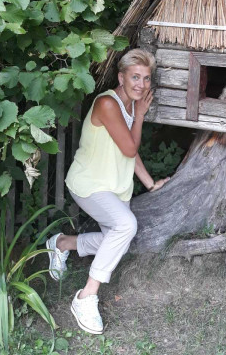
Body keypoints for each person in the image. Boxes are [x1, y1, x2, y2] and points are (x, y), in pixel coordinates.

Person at [46, 49, 170, 334]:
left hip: (114, 188)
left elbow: (129, 151)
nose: (141, 84)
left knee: (116, 240)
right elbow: (130, 147)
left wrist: (150, 183)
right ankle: (86, 296)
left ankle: (62, 244)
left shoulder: (130, 106)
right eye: (135, 77)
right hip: (90, 184)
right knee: (126, 225)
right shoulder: (107, 104)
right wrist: (140, 116)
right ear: (121, 77)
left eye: (146, 78)